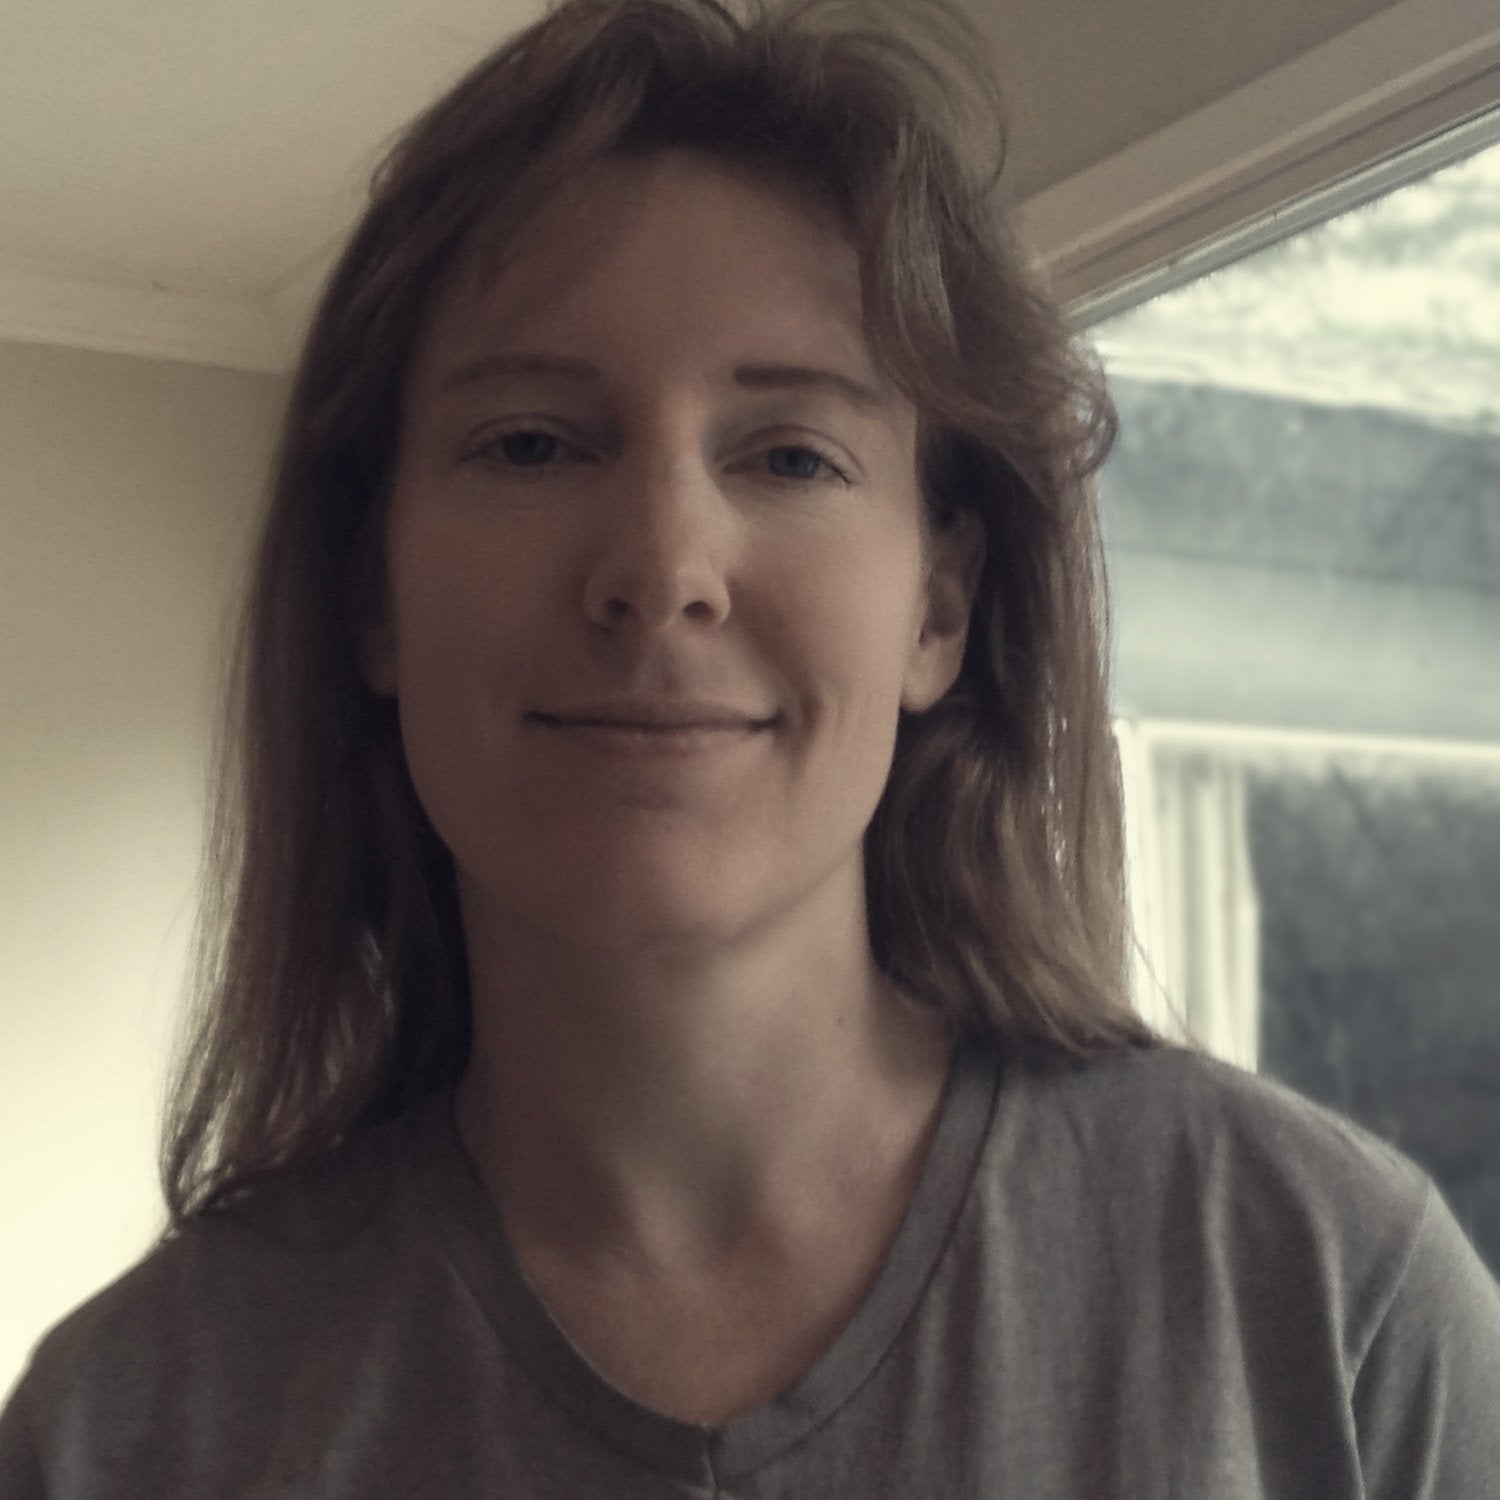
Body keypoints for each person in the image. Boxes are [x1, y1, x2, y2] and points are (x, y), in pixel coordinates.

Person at [4, 0, 1498, 1493]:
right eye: (531, 443)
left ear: (940, 606)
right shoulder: (124, 1431)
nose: (662, 568)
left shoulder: (1332, 1306)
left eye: (791, 454)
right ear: (367, 596)